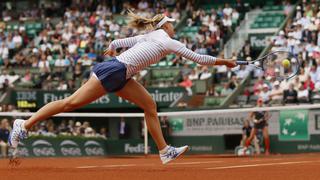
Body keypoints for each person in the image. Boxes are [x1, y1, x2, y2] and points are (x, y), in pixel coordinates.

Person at [8, 12, 236, 164]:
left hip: (121, 73)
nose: (173, 26)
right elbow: (198, 58)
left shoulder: (150, 35)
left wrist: (113, 53)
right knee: (71, 103)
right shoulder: (166, 40)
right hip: (115, 71)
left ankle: (165, 151)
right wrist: (225, 62)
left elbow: (116, 43)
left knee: (149, 105)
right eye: (171, 23)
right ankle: (24, 124)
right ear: (164, 25)